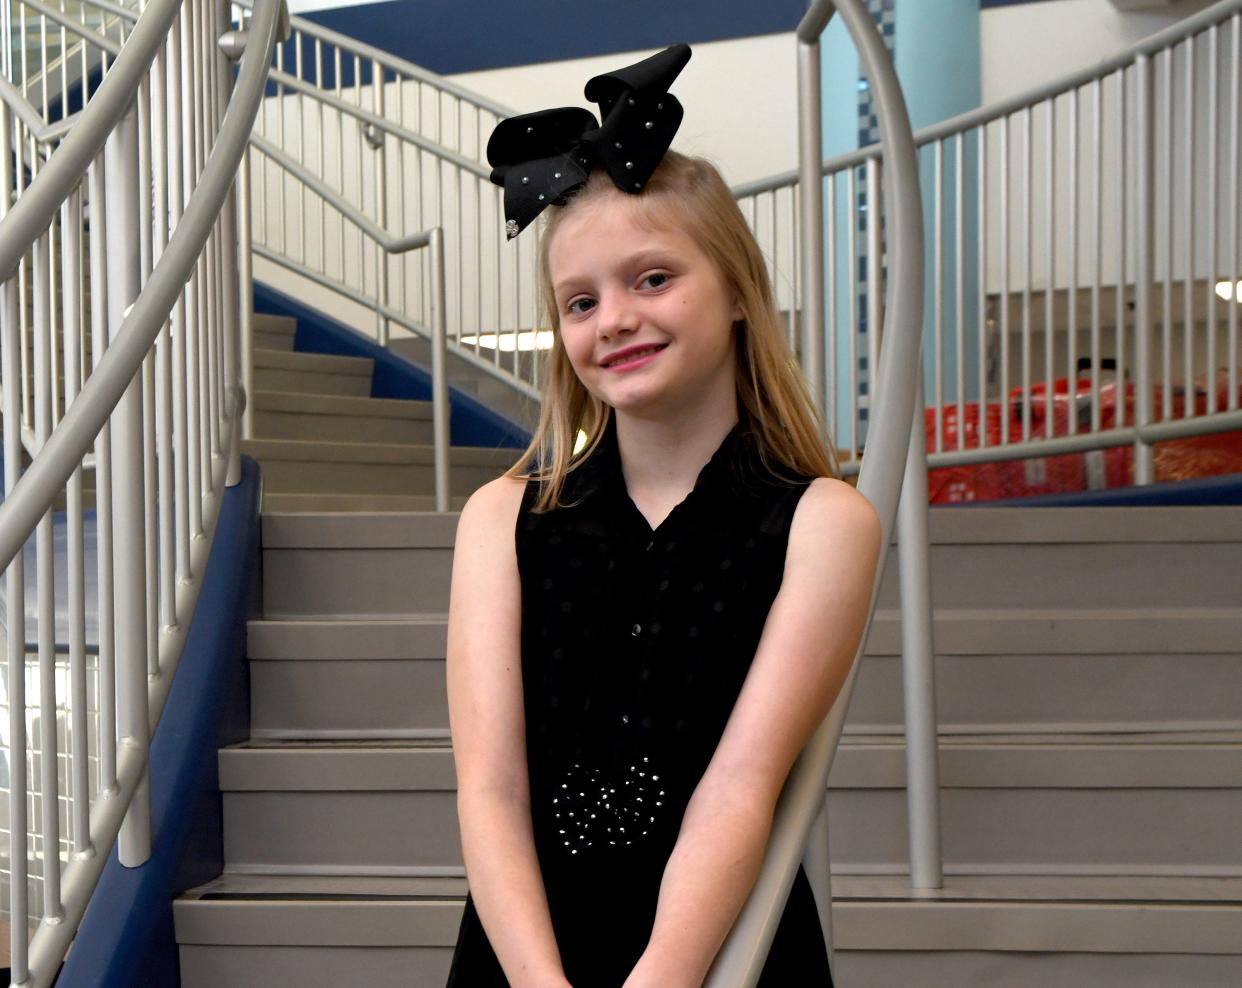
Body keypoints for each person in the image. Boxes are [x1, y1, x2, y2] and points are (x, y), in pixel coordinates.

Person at [445, 44, 882, 988]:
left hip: (721, 951)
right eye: (580, 300)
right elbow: (491, 787)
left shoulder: (824, 524)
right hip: (526, 955)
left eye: (653, 279)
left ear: (735, 291)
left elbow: (741, 783)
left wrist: (664, 979)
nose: (613, 319)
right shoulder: (501, 522)